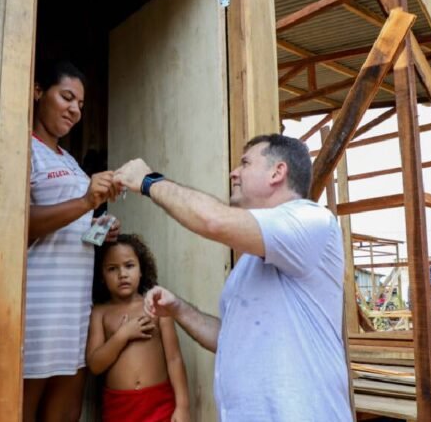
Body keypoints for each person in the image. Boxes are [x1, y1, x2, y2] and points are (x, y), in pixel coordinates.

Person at [113, 134, 351, 421]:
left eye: (245, 163)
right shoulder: (250, 263)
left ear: (277, 172)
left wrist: (148, 181)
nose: (233, 172)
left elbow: (214, 220)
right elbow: (230, 339)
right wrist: (179, 309)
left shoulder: (311, 221)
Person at [25, 60, 120, 421]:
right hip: (37, 308)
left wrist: (97, 227)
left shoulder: (70, 160)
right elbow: (17, 225)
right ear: (38, 92)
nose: (75, 110)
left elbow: (70, 225)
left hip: (72, 310)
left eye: (80, 104)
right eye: (67, 97)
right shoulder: (24, 149)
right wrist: (85, 201)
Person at [86, 234, 190, 422]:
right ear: (101, 275)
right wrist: (122, 335)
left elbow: (174, 359)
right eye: (112, 269)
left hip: (159, 403)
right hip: (118, 407)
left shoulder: (157, 307)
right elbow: (95, 365)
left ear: (141, 270)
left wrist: (182, 406)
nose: (122, 274)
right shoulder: (100, 313)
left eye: (129, 265)